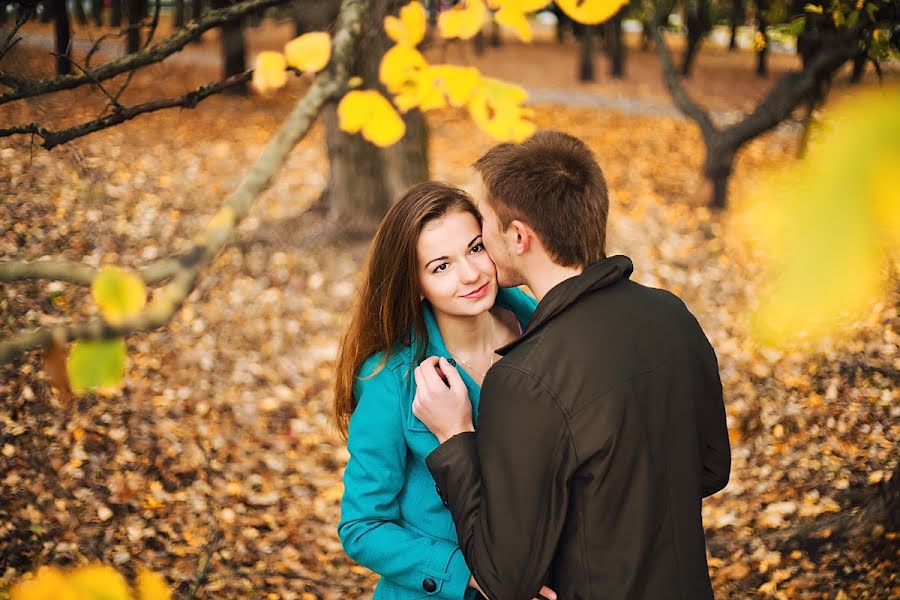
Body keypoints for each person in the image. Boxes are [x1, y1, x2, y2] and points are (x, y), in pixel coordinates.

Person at [412, 131, 731, 600]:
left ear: (518, 237)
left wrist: (454, 437)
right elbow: (711, 468)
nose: (478, 240)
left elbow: (504, 579)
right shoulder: (672, 315)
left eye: (484, 227)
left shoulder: (525, 378)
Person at [334, 182, 557, 600]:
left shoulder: (544, 328)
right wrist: (471, 573)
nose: (471, 274)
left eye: (475, 248)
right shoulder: (389, 378)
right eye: (441, 266)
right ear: (415, 284)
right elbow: (361, 527)